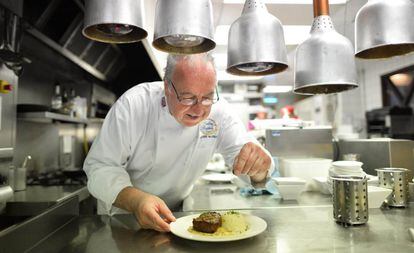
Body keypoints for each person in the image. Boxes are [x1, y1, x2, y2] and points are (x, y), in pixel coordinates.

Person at [83, 53, 274, 232]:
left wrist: (258, 168)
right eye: (188, 97)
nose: (199, 109)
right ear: (167, 87)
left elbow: (247, 157)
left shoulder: (219, 111)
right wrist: (136, 201)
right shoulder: (135, 105)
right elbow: (100, 166)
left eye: (207, 97)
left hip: (178, 217)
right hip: (124, 218)